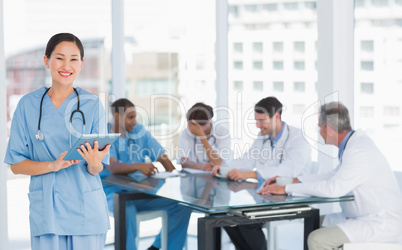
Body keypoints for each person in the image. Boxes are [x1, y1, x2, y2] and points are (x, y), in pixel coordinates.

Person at [4, 33, 111, 250]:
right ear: (47, 61)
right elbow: (15, 165)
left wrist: (93, 161)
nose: (66, 65)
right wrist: (52, 166)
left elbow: (96, 169)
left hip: (86, 212)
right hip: (48, 214)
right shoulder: (27, 106)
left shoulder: (92, 105)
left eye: (73, 59)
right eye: (60, 58)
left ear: (81, 64)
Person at [258, 102, 402, 249]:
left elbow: (333, 189)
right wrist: (293, 181)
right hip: (361, 217)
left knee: (317, 239)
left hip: (378, 223)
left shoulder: (357, 151)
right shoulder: (353, 145)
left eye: (319, 127)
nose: (319, 132)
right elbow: (331, 176)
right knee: (313, 224)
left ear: (328, 129)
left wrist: (287, 188)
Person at [212, 96, 312, 250]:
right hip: (265, 195)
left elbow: (289, 171)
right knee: (226, 217)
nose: (258, 125)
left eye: (262, 121)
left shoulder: (297, 138)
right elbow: (248, 159)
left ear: (276, 116)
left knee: (248, 222)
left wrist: (251, 175)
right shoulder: (263, 136)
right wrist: (225, 168)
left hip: (290, 197)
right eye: (256, 121)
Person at [100, 98, 192, 250]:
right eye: (131, 117)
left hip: (140, 192)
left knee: (182, 205)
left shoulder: (138, 131)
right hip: (113, 194)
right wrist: (138, 166)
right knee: (126, 209)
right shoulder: (104, 134)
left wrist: (174, 176)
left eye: (135, 117)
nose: (134, 121)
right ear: (117, 116)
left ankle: (157, 247)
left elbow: (161, 156)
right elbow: (113, 166)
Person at [178, 102, 231, 171]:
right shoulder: (185, 133)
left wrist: (202, 136)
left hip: (219, 174)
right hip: (194, 176)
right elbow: (183, 162)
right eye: (189, 123)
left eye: (194, 125)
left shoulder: (222, 132)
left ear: (209, 121)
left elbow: (218, 162)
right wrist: (201, 166)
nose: (191, 127)